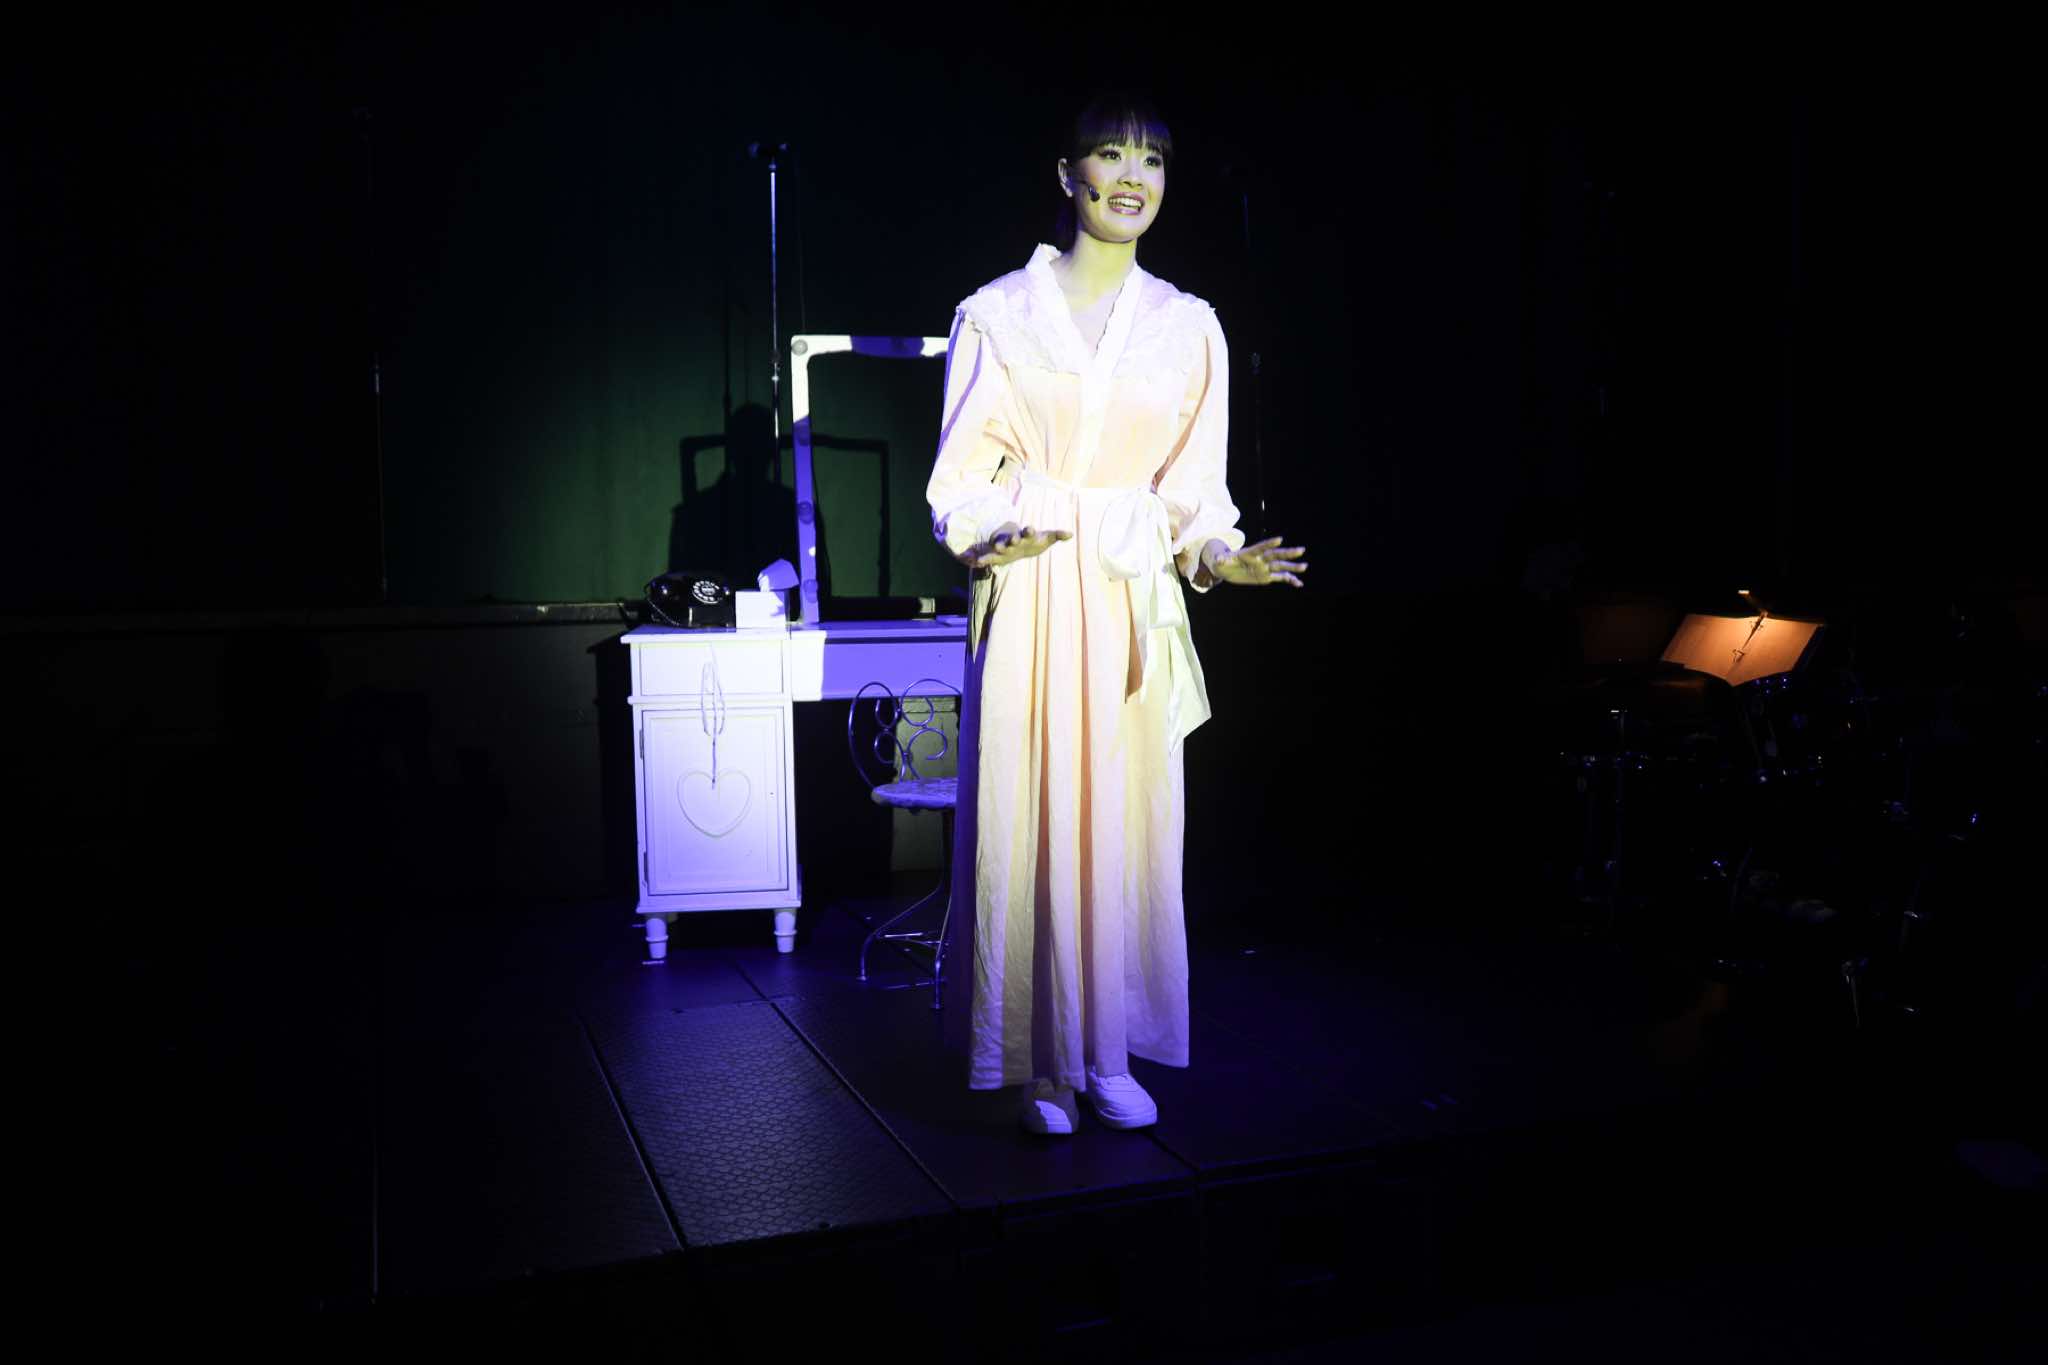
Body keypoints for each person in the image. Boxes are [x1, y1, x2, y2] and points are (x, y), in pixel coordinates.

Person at [926, 94, 1308, 1135]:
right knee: (1031, 815)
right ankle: (1038, 1064)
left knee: (1128, 822)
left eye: (1152, 160)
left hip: (1130, 590)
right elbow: (960, 475)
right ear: (1069, 175)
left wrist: (1219, 556)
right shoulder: (997, 312)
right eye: (1111, 154)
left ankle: (1104, 1053)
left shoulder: (1186, 325)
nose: (1132, 178)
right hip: (1038, 581)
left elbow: (1195, 488)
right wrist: (990, 533)